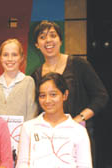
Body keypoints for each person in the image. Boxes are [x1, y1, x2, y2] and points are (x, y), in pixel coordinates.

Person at [31, 20, 108, 166]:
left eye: (53, 35)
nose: (48, 40)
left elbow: (101, 96)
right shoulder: (36, 75)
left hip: (78, 134)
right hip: (50, 139)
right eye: (42, 37)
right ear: (36, 45)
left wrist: (78, 119)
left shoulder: (79, 64)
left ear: (60, 40)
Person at [16, 72, 92, 168]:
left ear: (65, 95)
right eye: (42, 96)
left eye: (53, 94)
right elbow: (22, 163)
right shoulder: (28, 127)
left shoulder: (78, 131)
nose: (47, 100)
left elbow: (85, 165)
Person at [0, 38, 37, 121]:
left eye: (14, 55)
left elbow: (31, 115)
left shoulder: (28, 82)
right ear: (0, 57)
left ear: (21, 57)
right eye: (5, 55)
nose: (10, 59)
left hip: (21, 133)